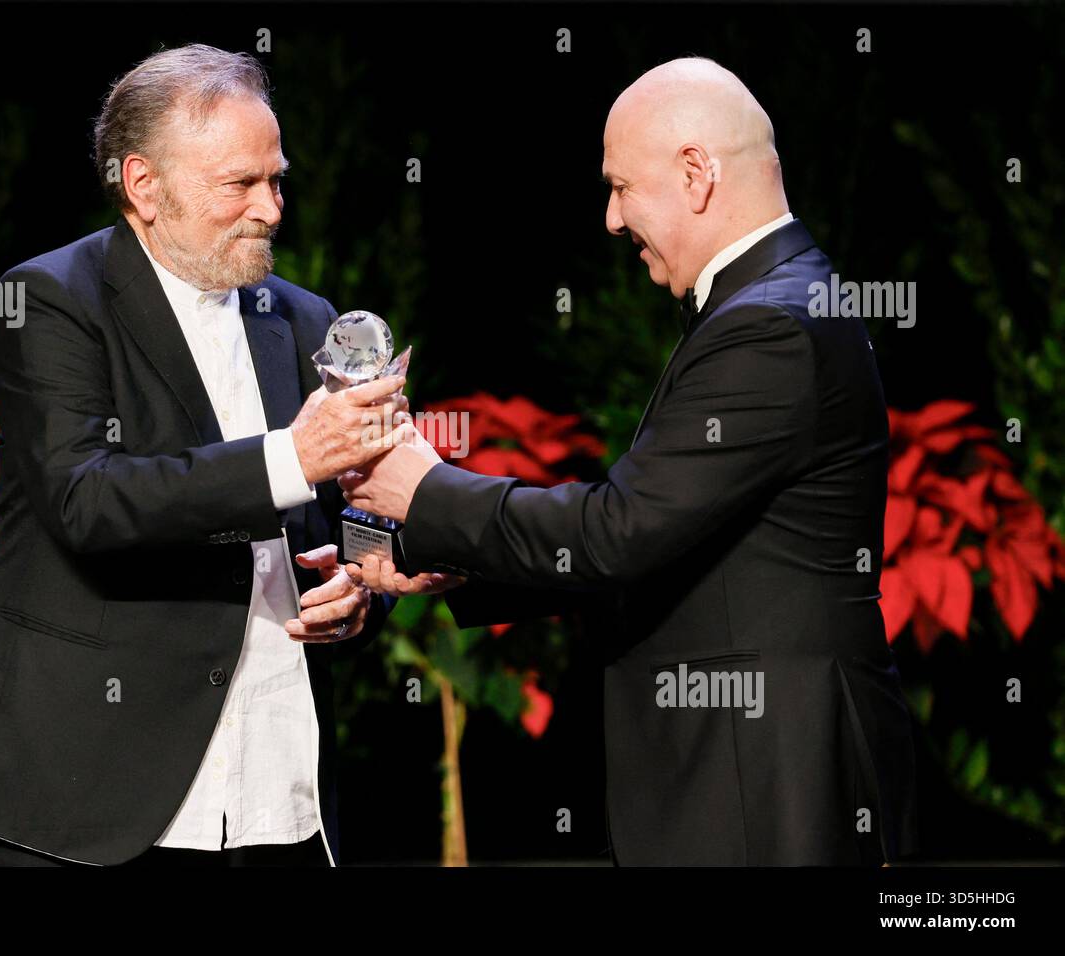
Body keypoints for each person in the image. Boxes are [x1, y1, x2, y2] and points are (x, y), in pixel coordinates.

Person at [342, 57, 919, 866]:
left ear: (696, 175)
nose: (611, 219)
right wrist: (445, 561)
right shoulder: (781, 301)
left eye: (621, 187)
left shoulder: (770, 326)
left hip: (762, 783)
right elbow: (673, 543)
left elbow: (620, 531)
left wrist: (426, 490)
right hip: (753, 771)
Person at [0, 43, 404, 867]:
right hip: (87, 796)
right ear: (144, 185)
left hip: (271, 783)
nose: (273, 208)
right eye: (240, 185)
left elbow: (357, 510)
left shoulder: (296, 315)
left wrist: (359, 588)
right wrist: (291, 458)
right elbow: (87, 500)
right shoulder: (51, 300)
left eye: (277, 179)